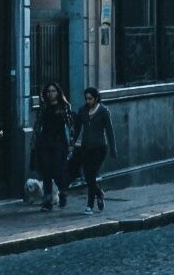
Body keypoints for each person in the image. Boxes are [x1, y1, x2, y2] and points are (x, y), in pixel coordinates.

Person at [30, 80, 74, 213]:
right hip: (45, 142)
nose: (51, 94)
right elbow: (38, 125)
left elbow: (70, 126)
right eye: (48, 91)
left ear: (58, 92)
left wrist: (71, 143)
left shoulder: (64, 107)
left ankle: (63, 191)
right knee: (46, 171)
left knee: (57, 170)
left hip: (59, 142)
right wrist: (35, 140)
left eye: (53, 91)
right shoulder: (44, 107)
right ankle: (47, 200)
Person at [72, 87, 116, 212]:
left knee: (91, 174)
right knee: (87, 176)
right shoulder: (82, 111)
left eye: (90, 98)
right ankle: (99, 193)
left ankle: (89, 205)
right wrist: (72, 143)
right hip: (86, 148)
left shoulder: (103, 111)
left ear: (96, 98)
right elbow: (77, 129)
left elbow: (109, 131)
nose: (88, 101)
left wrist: (113, 149)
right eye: (86, 99)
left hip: (99, 148)